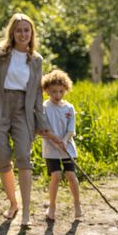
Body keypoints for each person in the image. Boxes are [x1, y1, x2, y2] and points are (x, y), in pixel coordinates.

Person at [0, 13, 61, 227]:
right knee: (3, 160)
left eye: (27, 30)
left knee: (24, 157)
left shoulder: (36, 60)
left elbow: (37, 95)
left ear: (31, 33)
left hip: (23, 111)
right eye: (19, 30)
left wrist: (42, 123)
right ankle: (13, 203)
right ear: (12, 32)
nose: (23, 34)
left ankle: (25, 213)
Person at [40, 69, 82, 221]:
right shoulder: (44, 107)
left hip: (67, 147)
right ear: (46, 91)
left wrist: (64, 141)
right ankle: (52, 206)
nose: (57, 95)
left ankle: (77, 204)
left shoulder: (69, 108)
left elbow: (71, 130)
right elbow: (44, 129)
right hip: (51, 148)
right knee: (56, 176)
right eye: (53, 92)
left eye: (60, 91)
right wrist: (55, 141)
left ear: (66, 89)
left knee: (71, 175)